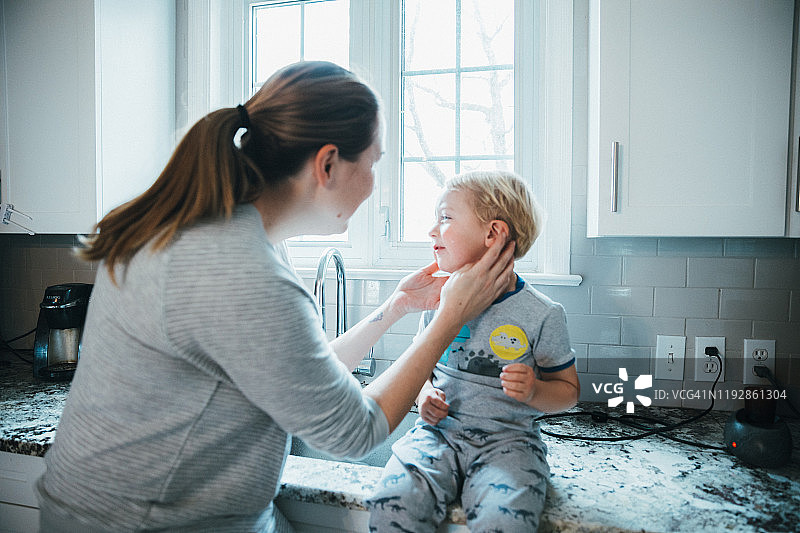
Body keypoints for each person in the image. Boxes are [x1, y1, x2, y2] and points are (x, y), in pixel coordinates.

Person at [35, 62, 516, 533]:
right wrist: (449, 318)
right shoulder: (244, 271)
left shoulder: (234, 230)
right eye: (373, 163)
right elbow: (355, 430)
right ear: (327, 164)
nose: (375, 183)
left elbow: (301, 375)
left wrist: (397, 309)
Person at [367, 170, 580, 532]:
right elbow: (423, 370)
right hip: (436, 436)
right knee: (391, 502)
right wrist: (424, 396)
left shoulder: (542, 313)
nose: (432, 231)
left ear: (493, 234)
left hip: (509, 445)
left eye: (446, 218)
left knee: (505, 521)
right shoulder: (440, 300)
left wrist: (535, 390)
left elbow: (569, 392)